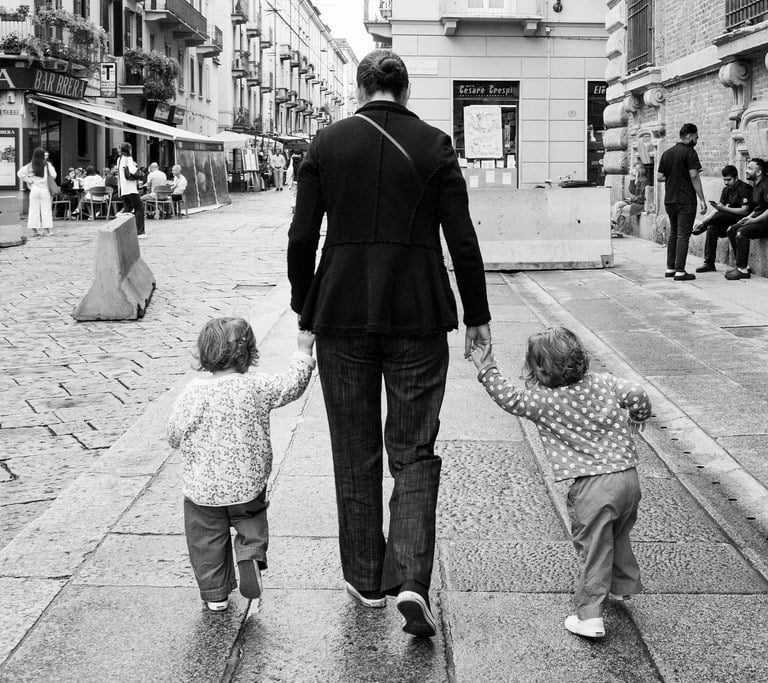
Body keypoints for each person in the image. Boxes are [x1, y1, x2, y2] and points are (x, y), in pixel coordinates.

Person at [288, 49, 491, 639]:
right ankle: (410, 580)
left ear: (359, 88)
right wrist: (476, 314)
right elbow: (463, 238)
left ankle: (364, 577)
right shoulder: (434, 145)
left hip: (342, 313)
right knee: (413, 448)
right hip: (419, 313)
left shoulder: (325, 144)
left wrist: (306, 305)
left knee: (353, 449)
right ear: (404, 92)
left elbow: (303, 236)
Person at [470, 326, 652, 640]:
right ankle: (622, 586)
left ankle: (590, 616)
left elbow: (509, 399)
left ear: (539, 368)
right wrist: (638, 414)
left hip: (592, 488)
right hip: (628, 479)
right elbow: (637, 393)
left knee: (594, 548)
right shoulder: (603, 384)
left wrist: (486, 369)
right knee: (618, 533)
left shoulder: (540, 399)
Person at [167, 317, 316, 612]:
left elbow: (173, 435)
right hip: (247, 484)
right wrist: (303, 351)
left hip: (203, 490)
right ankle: (249, 554)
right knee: (251, 520)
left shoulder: (192, 392)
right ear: (248, 354)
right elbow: (292, 385)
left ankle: (215, 595)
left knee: (206, 540)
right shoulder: (255, 385)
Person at [657, 123, 707, 281]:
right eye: (696, 137)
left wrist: (675, 176)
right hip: (685, 199)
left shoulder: (667, 153)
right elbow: (694, 176)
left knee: (673, 233)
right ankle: (680, 271)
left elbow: (660, 177)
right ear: (689, 136)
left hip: (670, 200)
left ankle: (670, 268)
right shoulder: (690, 152)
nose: (697, 140)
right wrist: (702, 199)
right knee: (683, 235)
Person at [692, 165, 752, 273]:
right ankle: (709, 263)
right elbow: (717, 209)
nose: (726, 182)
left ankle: (701, 228)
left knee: (720, 215)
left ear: (736, 178)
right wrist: (703, 221)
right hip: (726, 219)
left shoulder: (744, 188)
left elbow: (745, 211)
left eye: (729, 180)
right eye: (724, 180)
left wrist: (724, 209)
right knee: (711, 227)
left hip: (742, 219)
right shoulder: (726, 190)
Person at [724, 157, 768, 280]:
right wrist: (746, 218)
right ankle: (742, 266)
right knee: (731, 229)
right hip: (758, 219)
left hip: (765, 222)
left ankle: (742, 270)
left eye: (750, 168)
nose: (747, 171)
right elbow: (759, 208)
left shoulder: (766, 185)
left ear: (758, 172)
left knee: (741, 233)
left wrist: (754, 220)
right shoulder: (756, 185)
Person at [17, 147, 56, 236]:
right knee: (46, 209)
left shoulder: (30, 165)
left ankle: (35, 230)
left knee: (33, 210)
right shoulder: (47, 165)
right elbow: (54, 175)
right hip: (44, 189)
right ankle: (46, 230)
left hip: (34, 189)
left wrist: (29, 180)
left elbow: (20, 173)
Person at [116, 142, 146, 237]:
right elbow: (133, 170)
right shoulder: (129, 158)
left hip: (123, 189)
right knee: (139, 209)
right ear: (128, 149)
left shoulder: (119, 159)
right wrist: (139, 170)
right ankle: (140, 232)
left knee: (127, 209)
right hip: (131, 188)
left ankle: (124, 231)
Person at [610, 162, 648, 237]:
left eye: (634, 170)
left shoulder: (644, 180)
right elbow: (632, 191)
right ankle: (614, 222)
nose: (632, 171)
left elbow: (642, 197)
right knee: (617, 205)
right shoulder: (637, 180)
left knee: (623, 210)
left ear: (638, 170)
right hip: (633, 201)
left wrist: (631, 198)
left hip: (639, 204)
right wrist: (632, 180)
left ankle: (618, 231)